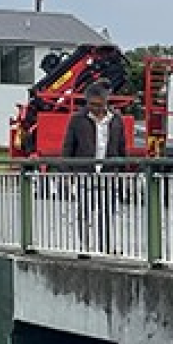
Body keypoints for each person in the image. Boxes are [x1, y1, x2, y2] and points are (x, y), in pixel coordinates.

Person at [61, 82, 126, 253]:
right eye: (92, 105)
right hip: (85, 172)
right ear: (87, 102)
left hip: (108, 174)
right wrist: (68, 173)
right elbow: (68, 147)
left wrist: (122, 171)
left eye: (100, 105)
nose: (96, 109)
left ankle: (105, 246)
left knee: (107, 213)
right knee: (85, 212)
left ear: (106, 102)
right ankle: (85, 246)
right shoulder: (77, 119)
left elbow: (121, 148)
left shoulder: (117, 120)